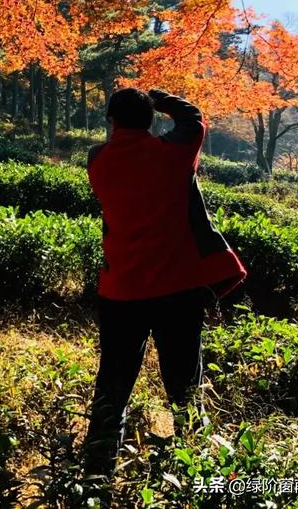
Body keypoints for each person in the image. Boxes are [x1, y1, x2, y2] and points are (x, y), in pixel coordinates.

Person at [82, 87, 246, 489]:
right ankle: (198, 469)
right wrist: (163, 98)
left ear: (111, 121)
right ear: (152, 120)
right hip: (178, 289)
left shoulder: (98, 160)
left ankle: (96, 472)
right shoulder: (173, 154)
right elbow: (194, 120)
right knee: (184, 384)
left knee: (113, 385)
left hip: (121, 290)